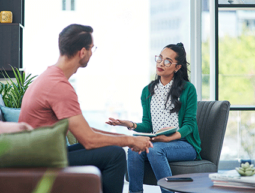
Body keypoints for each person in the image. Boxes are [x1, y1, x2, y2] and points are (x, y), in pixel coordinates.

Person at [18, 24, 153, 193]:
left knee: (113, 148)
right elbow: (89, 140)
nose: (91, 53)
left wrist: (129, 138)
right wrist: (131, 141)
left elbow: (85, 131)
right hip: (43, 161)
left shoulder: (50, 77)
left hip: (45, 154)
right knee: (115, 155)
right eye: (92, 48)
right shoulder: (58, 86)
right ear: (82, 52)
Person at [106, 43, 202, 193]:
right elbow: (148, 125)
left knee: (155, 150)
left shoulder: (188, 89)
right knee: (133, 149)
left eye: (168, 61)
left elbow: (189, 125)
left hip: (184, 143)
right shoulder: (147, 91)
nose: (161, 63)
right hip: (157, 141)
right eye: (160, 58)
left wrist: (168, 138)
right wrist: (129, 124)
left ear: (177, 67)